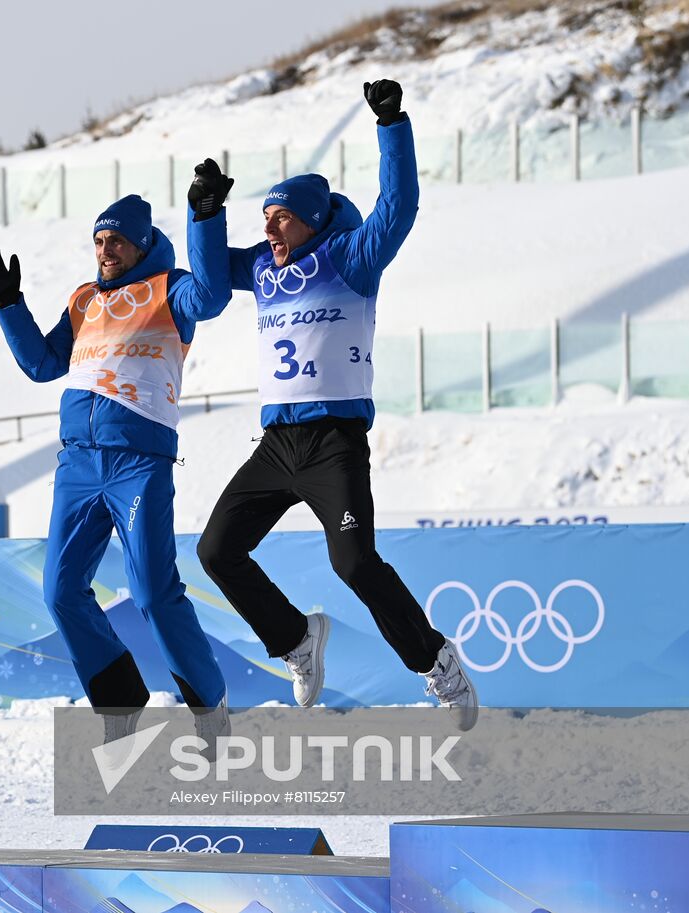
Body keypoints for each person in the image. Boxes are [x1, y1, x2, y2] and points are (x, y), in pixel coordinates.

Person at [196, 79, 478, 730]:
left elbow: (397, 208)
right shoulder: (266, 270)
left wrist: (392, 124)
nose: (269, 228)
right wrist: (205, 211)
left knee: (353, 561)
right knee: (217, 551)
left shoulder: (351, 257)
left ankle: (435, 660)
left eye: (281, 217)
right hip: (277, 445)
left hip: (333, 442)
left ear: (314, 219)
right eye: (264, 219)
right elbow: (211, 282)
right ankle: (296, 638)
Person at [0, 172, 237, 749]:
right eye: (98, 240)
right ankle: (119, 699)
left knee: (151, 592)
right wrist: (7, 303)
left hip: (138, 462)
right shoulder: (84, 298)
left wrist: (206, 215)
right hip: (77, 464)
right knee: (61, 591)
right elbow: (43, 365)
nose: (105, 249)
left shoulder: (172, 288)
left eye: (116, 240)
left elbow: (214, 296)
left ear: (142, 243)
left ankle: (208, 700)